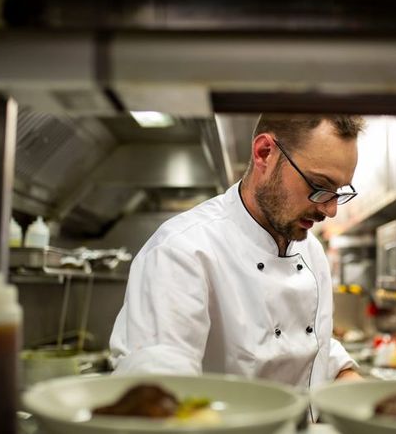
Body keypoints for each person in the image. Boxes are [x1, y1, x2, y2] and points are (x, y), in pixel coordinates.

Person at [109, 114, 365, 390]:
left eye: (338, 191)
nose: (330, 209)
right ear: (264, 153)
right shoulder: (182, 250)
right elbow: (162, 384)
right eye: (318, 186)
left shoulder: (311, 251)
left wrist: (346, 375)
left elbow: (309, 343)